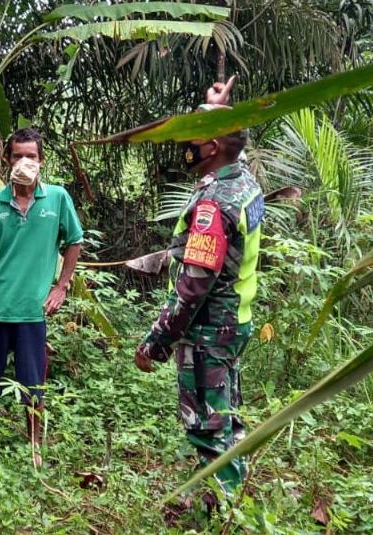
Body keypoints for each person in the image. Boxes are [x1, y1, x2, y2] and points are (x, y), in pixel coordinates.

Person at [134, 83, 264, 498]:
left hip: (210, 332)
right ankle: (228, 494)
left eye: (193, 134)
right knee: (224, 415)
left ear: (211, 146)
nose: (184, 143)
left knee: (208, 425)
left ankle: (223, 509)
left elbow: (193, 286)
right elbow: (235, 143)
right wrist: (221, 110)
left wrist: (156, 342)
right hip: (235, 324)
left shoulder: (215, 202)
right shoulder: (242, 181)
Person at [0, 127, 83, 464]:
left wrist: (61, 286)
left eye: (31, 156)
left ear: (41, 161)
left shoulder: (58, 199)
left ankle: (34, 446)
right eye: (17, 155)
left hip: (33, 311)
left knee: (33, 384)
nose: (24, 162)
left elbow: (73, 241)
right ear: (7, 159)